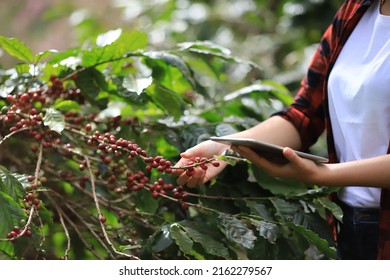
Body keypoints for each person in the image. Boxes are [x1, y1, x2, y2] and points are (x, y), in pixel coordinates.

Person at [173, 0, 390, 260]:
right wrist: (227, 147)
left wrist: (325, 175)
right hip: (348, 224)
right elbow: (305, 113)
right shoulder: (355, 10)